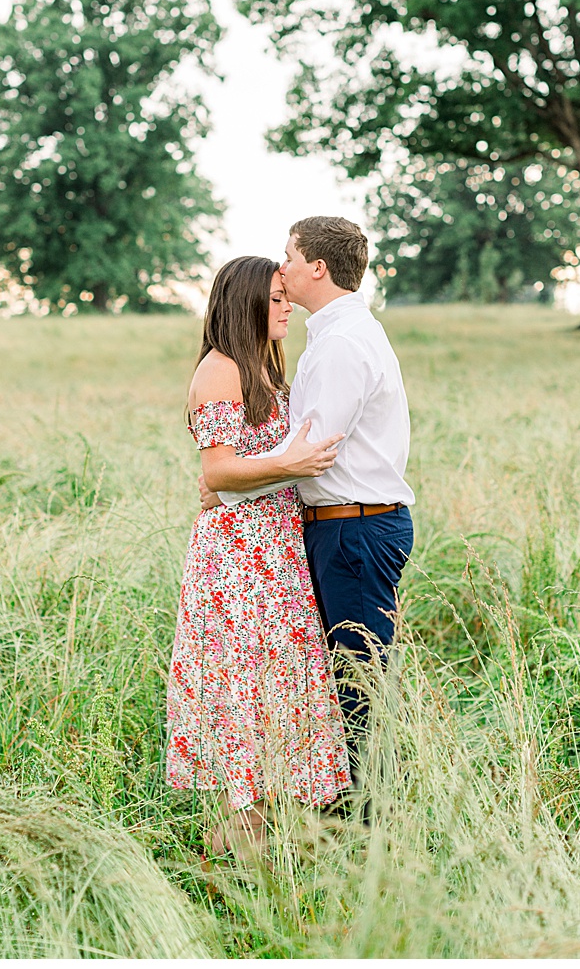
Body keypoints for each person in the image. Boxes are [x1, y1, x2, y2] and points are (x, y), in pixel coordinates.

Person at [205, 216, 415, 795]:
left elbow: (310, 450)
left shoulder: (342, 343)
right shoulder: (336, 334)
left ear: (317, 269)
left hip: (353, 528)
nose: (283, 267)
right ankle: (342, 809)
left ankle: (365, 820)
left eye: (290, 256)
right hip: (347, 526)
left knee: (355, 685)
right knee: (343, 680)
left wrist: (225, 484)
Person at [165, 255, 350, 858]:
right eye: (275, 298)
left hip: (276, 552)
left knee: (275, 700)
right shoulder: (220, 371)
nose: (287, 306)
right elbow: (217, 469)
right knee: (244, 702)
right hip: (238, 560)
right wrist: (289, 465)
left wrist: (271, 471)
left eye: (285, 295)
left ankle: (270, 861)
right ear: (245, 302)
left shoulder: (264, 370)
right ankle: (229, 871)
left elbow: (241, 469)